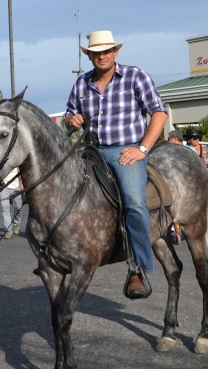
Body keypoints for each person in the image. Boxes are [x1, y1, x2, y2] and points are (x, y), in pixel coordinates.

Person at [65, 29, 168, 299]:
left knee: (133, 201)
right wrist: (72, 119)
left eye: (106, 51)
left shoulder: (135, 76)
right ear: (90, 56)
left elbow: (158, 112)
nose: (102, 56)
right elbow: (69, 112)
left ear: (115, 52)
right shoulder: (81, 83)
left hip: (126, 151)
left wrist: (142, 148)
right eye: (96, 52)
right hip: (91, 150)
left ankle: (138, 267)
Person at [0, 166, 24, 239]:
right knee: (5, 209)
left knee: (18, 208)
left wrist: (22, 183)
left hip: (16, 187)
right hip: (4, 187)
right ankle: (8, 230)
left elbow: (21, 171)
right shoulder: (2, 160)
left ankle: (17, 223)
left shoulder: (16, 160)